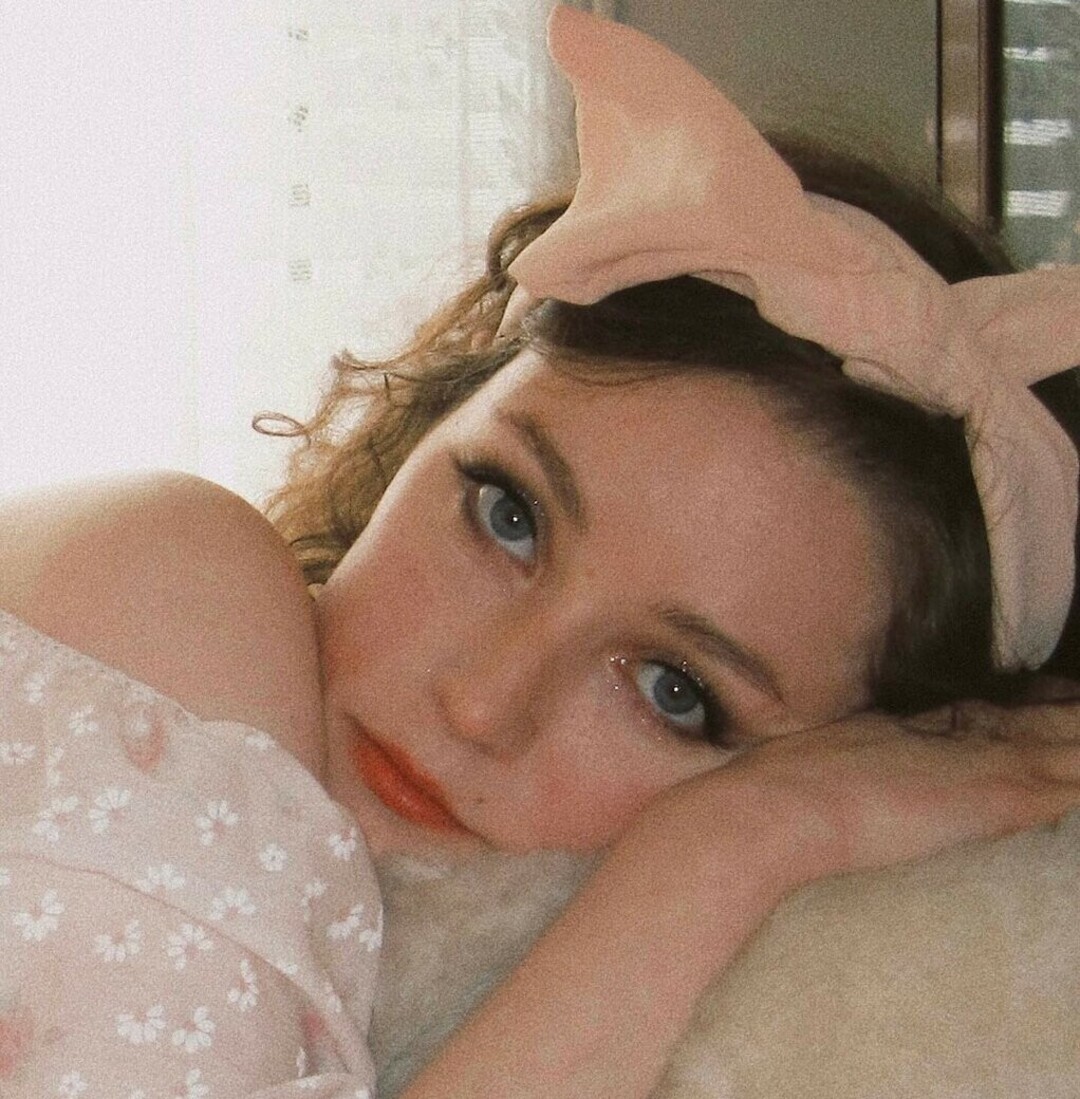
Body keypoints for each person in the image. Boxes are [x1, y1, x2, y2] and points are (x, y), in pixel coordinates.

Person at [2, 5, 1080, 1096]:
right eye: (506, 514)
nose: (483, 701)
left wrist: (752, 837)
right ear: (432, 425)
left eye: (671, 691)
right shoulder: (175, 582)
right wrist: (718, 861)